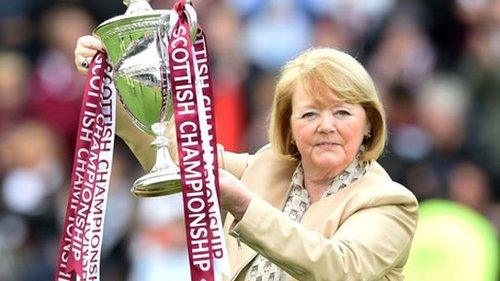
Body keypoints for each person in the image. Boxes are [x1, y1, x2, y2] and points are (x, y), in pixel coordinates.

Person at [74, 36, 418, 281]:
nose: (326, 126)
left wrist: (244, 206)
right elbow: (174, 154)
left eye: (342, 112)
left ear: (370, 123)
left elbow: (337, 268)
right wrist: (114, 85)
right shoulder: (267, 166)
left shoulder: (389, 202)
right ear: (289, 125)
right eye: (310, 114)